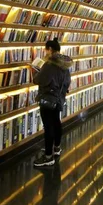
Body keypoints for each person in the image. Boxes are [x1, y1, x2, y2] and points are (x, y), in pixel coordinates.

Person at [33, 38, 72, 167]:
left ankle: (48, 156)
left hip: (48, 99)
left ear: (50, 49)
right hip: (59, 98)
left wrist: (35, 71)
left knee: (48, 126)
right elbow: (66, 82)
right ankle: (56, 148)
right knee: (56, 122)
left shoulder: (49, 65)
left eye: (46, 49)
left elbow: (38, 80)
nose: (45, 52)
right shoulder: (65, 65)